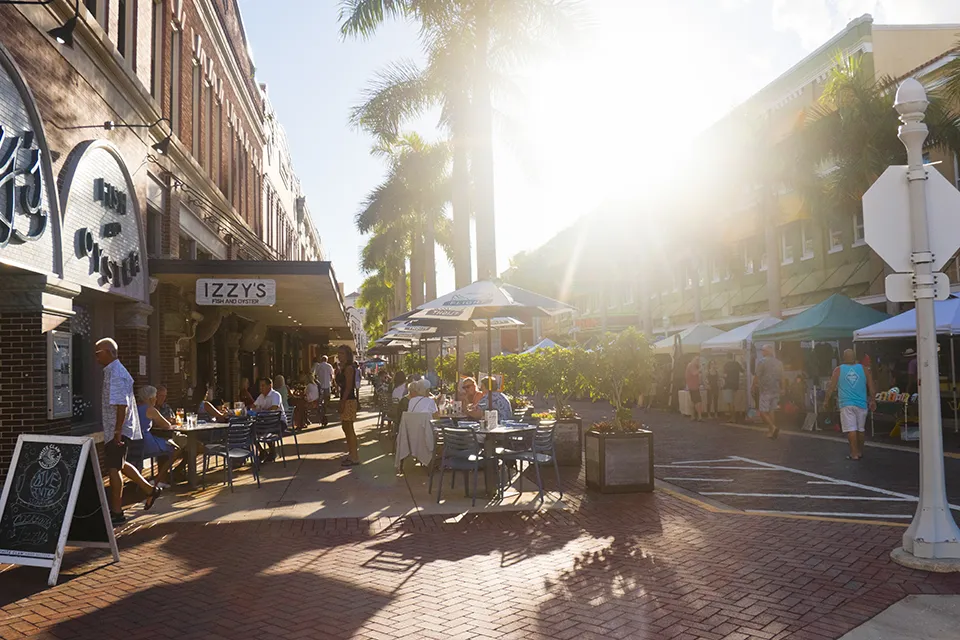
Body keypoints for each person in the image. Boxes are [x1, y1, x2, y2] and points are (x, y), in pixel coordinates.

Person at [95, 338, 159, 525]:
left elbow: (121, 405)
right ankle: (150, 490)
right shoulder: (114, 371)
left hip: (118, 429)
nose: (95, 357)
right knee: (120, 465)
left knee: (114, 469)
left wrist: (116, 431)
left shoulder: (116, 373)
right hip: (117, 428)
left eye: (98, 353)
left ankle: (117, 512)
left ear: (108, 351)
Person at [823, 349, 877, 460]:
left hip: (846, 403)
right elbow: (872, 387)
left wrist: (826, 400)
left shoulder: (838, 370)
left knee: (851, 429)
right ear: (855, 357)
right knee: (860, 429)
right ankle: (860, 451)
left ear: (843, 358)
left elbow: (831, 387)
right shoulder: (864, 369)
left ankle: (854, 453)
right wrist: (873, 400)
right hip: (862, 403)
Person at [136, 385, 186, 489]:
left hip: (135, 443)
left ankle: (160, 478)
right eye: (155, 397)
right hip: (147, 442)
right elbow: (166, 425)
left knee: (165, 444)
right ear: (150, 398)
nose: (156, 399)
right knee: (176, 449)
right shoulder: (151, 410)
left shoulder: (135, 407)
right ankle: (159, 479)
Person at [754, 344, 785, 439]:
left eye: (763, 350)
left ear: (766, 352)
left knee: (762, 411)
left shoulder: (762, 362)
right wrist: (783, 388)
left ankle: (773, 427)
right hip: (775, 389)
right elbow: (782, 377)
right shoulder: (779, 363)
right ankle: (771, 432)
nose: (762, 352)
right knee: (772, 410)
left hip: (765, 390)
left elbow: (757, 375)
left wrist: (753, 385)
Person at [722, 354, 744, 422]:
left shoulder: (726, 365)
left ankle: (733, 418)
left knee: (730, 402)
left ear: (727, 357)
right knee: (733, 401)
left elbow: (724, 375)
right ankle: (733, 417)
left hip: (728, 384)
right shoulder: (737, 363)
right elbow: (743, 371)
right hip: (735, 385)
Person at [685, 356, 704, 421]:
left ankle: (693, 416)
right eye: (697, 360)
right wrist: (700, 369)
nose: (698, 362)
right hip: (693, 386)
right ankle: (699, 416)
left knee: (693, 401)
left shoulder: (691, 365)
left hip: (693, 386)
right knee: (698, 401)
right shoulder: (692, 365)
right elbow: (694, 373)